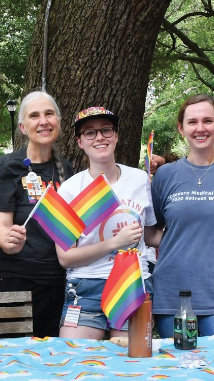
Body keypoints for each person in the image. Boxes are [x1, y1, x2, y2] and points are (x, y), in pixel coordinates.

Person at [148, 95, 214, 337]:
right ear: (181, 128)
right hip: (172, 296)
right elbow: (150, 233)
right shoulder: (164, 175)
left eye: (207, 120)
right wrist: (182, 240)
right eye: (192, 122)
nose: (200, 128)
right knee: (177, 372)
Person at [54, 107, 157, 339]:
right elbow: (65, 257)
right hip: (86, 286)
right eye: (89, 133)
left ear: (116, 136)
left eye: (106, 130)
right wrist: (114, 243)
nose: (99, 137)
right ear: (79, 142)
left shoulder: (140, 179)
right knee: (76, 361)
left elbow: (150, 235)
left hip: (132, 283)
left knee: (130, 365)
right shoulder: (70, 190)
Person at [0, 91, 74, 338]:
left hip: (58, 281)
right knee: (15, 361)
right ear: (23, 127)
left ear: (58, 121)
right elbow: (0, 224)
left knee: (51, 363)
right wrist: (7, 241)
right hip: (17, 278)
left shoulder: (66, 169)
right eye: (34, 116)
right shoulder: (8, 165)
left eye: (49, 114)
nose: (43, 121)